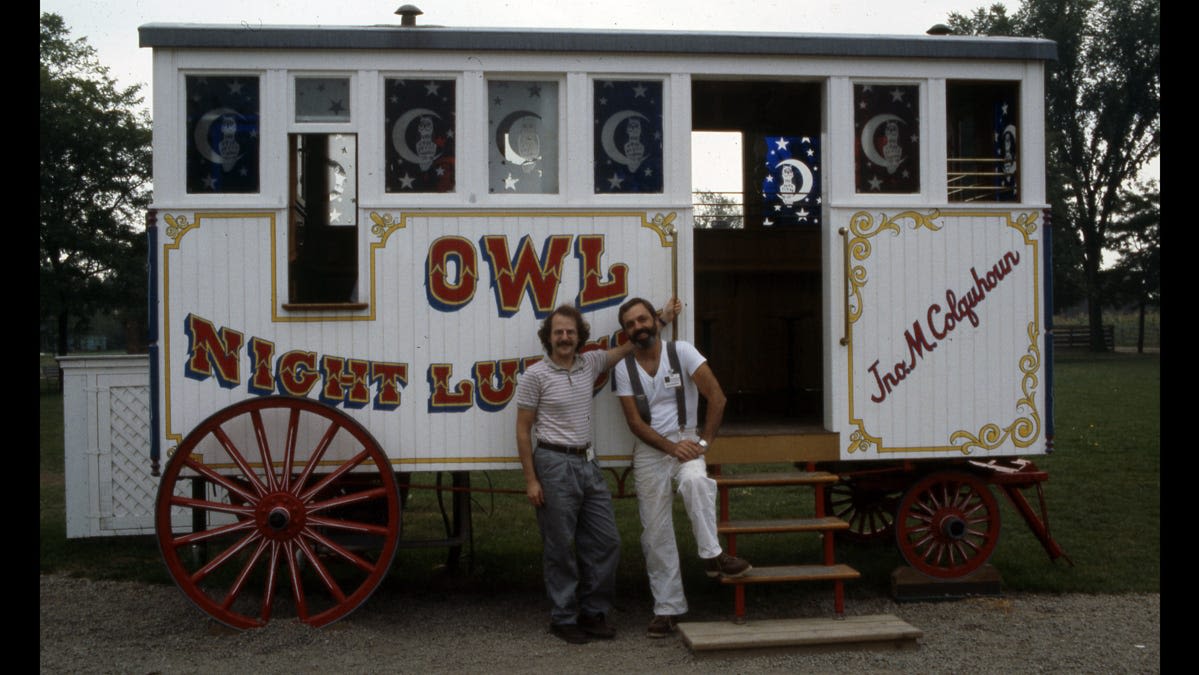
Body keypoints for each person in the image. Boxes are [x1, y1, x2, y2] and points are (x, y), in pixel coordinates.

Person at [515, 298, 681, 644]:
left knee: (607, 541)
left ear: (579, 337)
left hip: (589, 463)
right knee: (559, 545)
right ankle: (563, 618)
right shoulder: (535, 375)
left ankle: (593, 613)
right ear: (548, 336)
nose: (564, 337)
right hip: (553, 463)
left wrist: (661, 320)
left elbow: (629, 346)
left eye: (570, 332)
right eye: (558, 331)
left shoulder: (590, 363)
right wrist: (531, 479)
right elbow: (522, 429)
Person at [611, 297, 751, 639]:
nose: (638, 327)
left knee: (696, 483)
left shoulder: (683, 351)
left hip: (687, 440)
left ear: (653, 320)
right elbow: (634, 423)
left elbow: (716, 397)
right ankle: (667, 609)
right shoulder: (623, 368)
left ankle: (712, 554)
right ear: (626, 332)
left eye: (642, 319)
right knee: (655, 532)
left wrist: (702, 443)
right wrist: (670, 447)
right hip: (650, 450)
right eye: (630, 324)